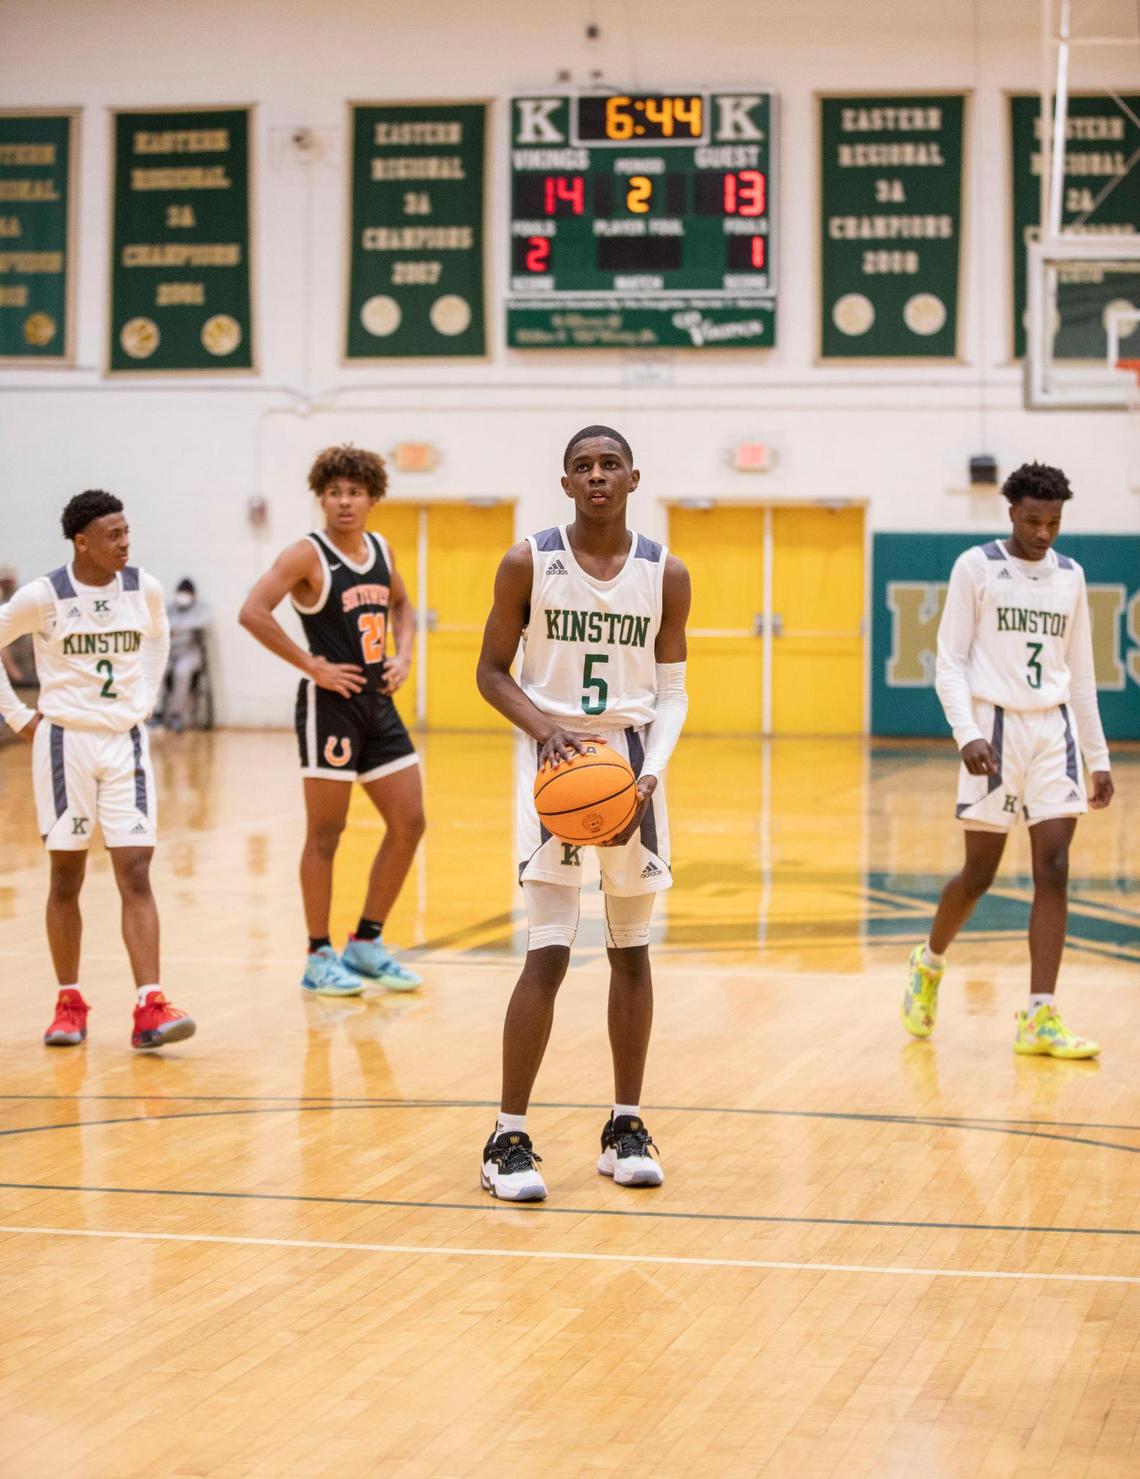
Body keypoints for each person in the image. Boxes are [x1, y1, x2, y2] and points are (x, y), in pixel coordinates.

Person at [475, 425, 691, 1201]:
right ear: (565, 482)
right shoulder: (528, 559)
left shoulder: (666, 571)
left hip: (630, 766)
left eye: (609, 465)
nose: (596, 476)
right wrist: (547, 734)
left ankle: (624, 1124)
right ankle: (507, 1136)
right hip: (553, 764)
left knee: (632, 949)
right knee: (551, 950)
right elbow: (491, 673)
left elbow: (672, 692)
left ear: (634, 476)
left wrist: (650, 777)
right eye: (581, 467)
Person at [902, 461, 1113, 1057]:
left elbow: (1083, 677)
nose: (1044, 533)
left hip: (1054, 733)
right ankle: (930, 959)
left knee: (1054, 868)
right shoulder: (978, 567)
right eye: (1033, 520)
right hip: (993, 727)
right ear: (1011, 512)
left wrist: (1097, 758)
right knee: (980, 875)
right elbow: (950, 661)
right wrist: (964, 731)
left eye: (1054, 522)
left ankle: (1039, 1015)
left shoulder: (1071, 576)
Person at [0, 491, 196, 1049]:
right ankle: (69, 1001)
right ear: (81, 542)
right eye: (113, 535)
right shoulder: (44, 595)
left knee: (135, 870)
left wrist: (148, 696)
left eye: (127, 531)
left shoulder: (144, 588)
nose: (125, 542)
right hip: (65, 745)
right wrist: (17, 715)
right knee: (68, 877)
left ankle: (150, 1006)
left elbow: (158, 638)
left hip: (125, 744)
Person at [239, 443, 425, 997]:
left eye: (355, 492)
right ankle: (318, 953)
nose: (345, 502)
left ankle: (366, 942)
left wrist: (405, 653)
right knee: (326, 833)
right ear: (321, 498)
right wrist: (311, 664)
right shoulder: (307, 555)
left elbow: (404, 607)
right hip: (331, 707)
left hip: (378, 702)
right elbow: (252, 611)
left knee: (410, 822)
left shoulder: (383, 549)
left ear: (372, 498)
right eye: (334, 493)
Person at [163, 577, 211, 731]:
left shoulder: (201, 609)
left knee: (181, 673)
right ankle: (155, 713)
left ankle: (176, 715)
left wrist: (177, 627)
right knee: (155, 671)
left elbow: (204, 622)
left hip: (189, 653)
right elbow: (159, 624)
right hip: (169, 652)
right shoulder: (169, 608)